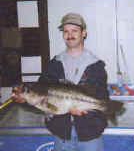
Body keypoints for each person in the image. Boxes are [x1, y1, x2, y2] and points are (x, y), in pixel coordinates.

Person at [12, 13, 109, 151]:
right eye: (66, 31)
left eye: (74, 31)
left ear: (83, 33)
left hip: (90, 134)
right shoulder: (54, 64)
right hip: (62, 135)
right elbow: (40, 100)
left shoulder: (96, 66)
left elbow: (102, 97)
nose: (70, 35)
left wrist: (86, 111)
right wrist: (25, 100)